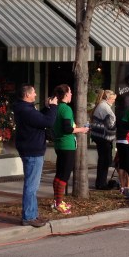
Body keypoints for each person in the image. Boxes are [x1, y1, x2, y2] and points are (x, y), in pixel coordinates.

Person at [11, 84, 58, 227]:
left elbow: (38, 118)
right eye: (33, 93)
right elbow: (48, 121)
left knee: (33, 185)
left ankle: (33, 214)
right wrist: (53, 107)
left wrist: (47, 108)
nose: (36, 95)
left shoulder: (24, 109)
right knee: (31, 185)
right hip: (32, 151)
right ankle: (29, 216)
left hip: (30, 149)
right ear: (27, 95)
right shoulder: (26, 110)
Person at [50, 84, 90, 214]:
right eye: (70, 92)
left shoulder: (56, 107)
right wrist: (82, 129)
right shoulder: (66, 109)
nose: (72, 94)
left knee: (59, 174)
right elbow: (67, 128)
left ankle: (57, 201)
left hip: (59, 144)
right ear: (66, 94)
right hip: (67, 145)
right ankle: (59, 204)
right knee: (64, 175)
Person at [90, 89, 117, 190]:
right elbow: (110, 122)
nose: (114, 101)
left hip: (100, 136)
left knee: (103, 160)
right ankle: (101, 183)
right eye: (113, 99)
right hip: (103, 137)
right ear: (107, 98)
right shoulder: (104, 107)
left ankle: (101, 182)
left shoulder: (101, 105)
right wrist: (114, 126)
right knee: (104, 160)